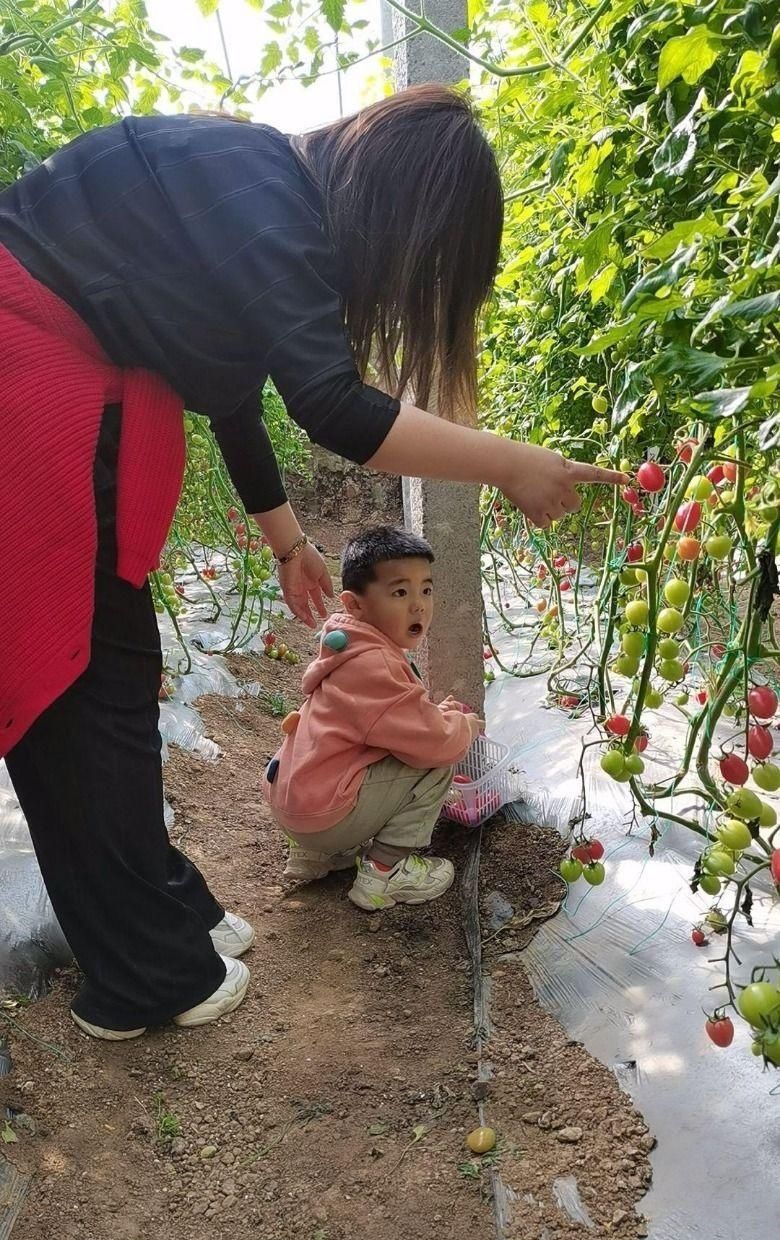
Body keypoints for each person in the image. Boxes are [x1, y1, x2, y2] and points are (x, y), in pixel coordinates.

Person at [0, 84, 622, 1040]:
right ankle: (143, 978)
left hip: (56, 378)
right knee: (81, 689)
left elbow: (231, 394)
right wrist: (510, 462)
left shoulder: (242, 193)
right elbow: (327, 406)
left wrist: (288, 541)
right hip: (28, 377)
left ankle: (164, 912)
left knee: (114, 678)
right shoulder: (265, 189)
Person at [266, 525, 484, 909]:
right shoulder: (376, 665)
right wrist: (462, 725)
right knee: (437, 763)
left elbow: (387, 718)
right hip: (324, 815)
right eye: (400, 592)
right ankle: (384, 874)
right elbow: (432, 741)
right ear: (355, 604)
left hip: (295, 803)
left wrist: (438, 714)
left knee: (380, 748)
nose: (418, 605)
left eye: (426, 590)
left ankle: (316, 855)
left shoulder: (348, 644)